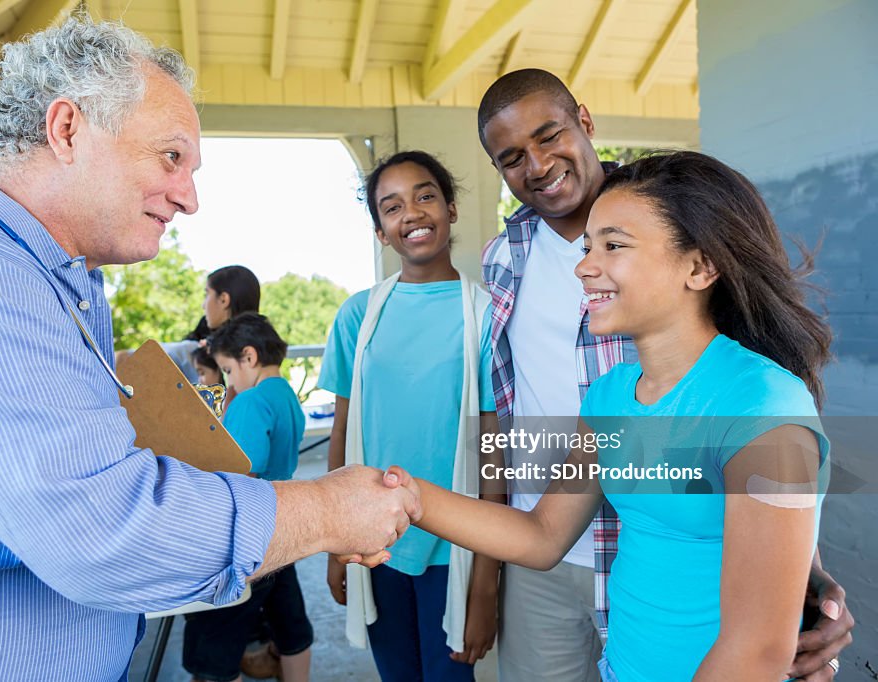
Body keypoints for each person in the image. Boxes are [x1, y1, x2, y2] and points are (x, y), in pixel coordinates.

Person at [0, 19, 417, 682]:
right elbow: (104, 531)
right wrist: (326, 510)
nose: (189, 197)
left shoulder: (61, 279)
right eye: (171, 157)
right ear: (66, 130)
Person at [386, 149, 832, 680]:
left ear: (700, 265)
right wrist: (407, 496)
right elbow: (543, 534)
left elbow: (757, 650)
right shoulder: (609, 398)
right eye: (588, 246)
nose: (584, 266)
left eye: (613, 246)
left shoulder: (762, 405)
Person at [475, 68, 853, 681]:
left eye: (549, 136)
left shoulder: (673, 211)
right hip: (549, 549)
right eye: (512, 157)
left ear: (585, 122)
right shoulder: (501, 259)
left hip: (647, 545)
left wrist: (801, 567)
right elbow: (500, 409)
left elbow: (760, 440)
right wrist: (477, 574)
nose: (538, 165)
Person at [319, 151, 503, 681]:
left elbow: (493, 450)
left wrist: (487, 579)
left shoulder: (485, 314)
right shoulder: (358, 315)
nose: (413, 213)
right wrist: (335, 541)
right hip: (375, 541)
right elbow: (342, 433)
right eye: (392, 206)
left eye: (425, 196)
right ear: (382, 232)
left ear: (450, 207)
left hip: (456, 546)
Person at [183, 313, 313, 682]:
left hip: (250, 533)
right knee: (290, 625)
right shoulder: (286, 393)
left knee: (221, 634)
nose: (227, 380)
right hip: (283, 523)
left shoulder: (251, 402)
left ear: (249, 357)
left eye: (226, 369)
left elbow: (239, 471)